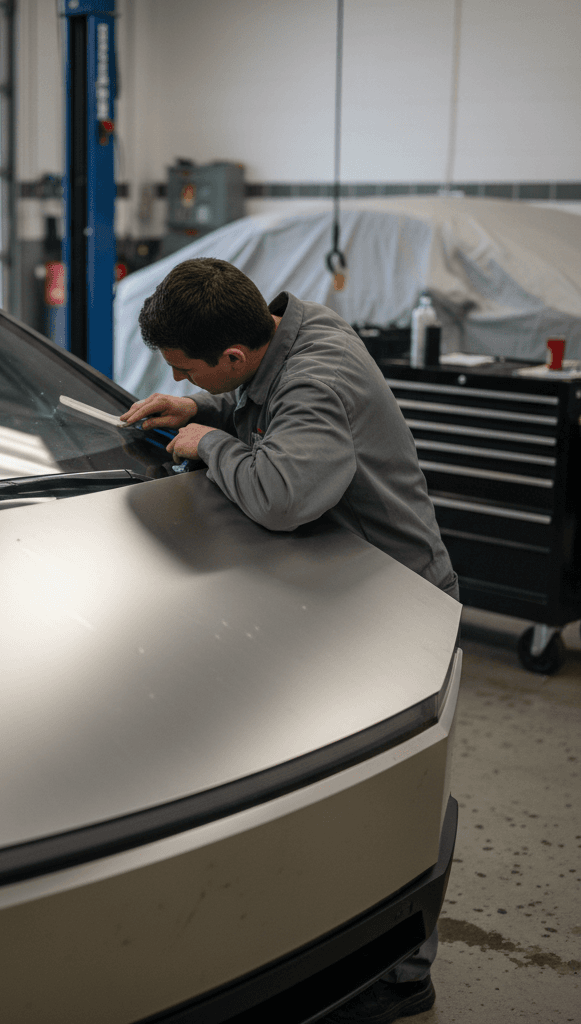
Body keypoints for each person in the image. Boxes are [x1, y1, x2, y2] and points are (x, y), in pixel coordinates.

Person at [120, 257, 456, 1023]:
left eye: (187, 366)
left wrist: (206, 442)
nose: (182, 376)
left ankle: (403, 973)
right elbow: (275, 423)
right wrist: (204, 408)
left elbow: (283, 493)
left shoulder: (317, 375)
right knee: (336, 795)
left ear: (236, 355)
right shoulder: (290, 333)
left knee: (389, 797)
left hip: (400, 605)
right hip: (348, 597)